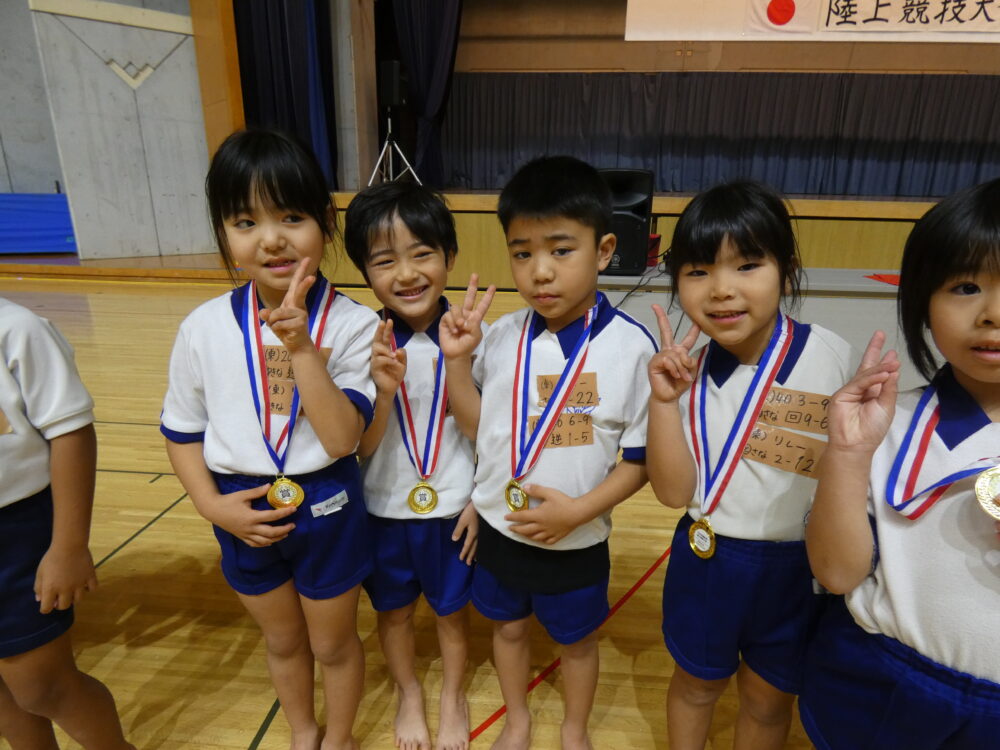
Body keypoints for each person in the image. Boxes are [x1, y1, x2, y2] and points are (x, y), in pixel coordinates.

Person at [161, 129, 378, 750]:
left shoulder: (355, 324)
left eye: (290, 216)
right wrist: (211, 504)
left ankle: (338, 738)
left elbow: (340, 439)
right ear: (223, 235)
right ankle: (303, 732)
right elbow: (182, 431)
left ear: (325, 223)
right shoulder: (202, 327)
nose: (271, 238)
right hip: (240, 506)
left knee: (332, 643)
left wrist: (302, 348)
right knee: (282, 640)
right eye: (245, 221)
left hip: (327, 502)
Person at [440, 155, 656, 750]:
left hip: (576, 538)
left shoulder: (632, 349)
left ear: (604, 250)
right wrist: (457, 362)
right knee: (508, 631)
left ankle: (575, 728)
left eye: (561, 250)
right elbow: (476, 427)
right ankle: (517, 719)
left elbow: (638, 462)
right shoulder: (502, 336)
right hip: (501, 527)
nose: (540, 272)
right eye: (522, 253)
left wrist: (579, 511)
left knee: (577, 642)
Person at [646, 180, 854, 750]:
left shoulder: (831, 355)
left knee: (768, 700)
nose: (721, 289)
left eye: (747, 265)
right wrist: (661, 404)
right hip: (706, 557)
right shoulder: (680, 373)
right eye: (698, 271)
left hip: (794, 566)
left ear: (786, 271)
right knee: (696, 686)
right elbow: (672, 493)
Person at [801, 178, 1000, 749]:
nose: (992, 313)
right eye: (965, 286)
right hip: (887, 683)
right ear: (922, 303)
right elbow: (836, 574)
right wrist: (847, 454)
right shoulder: (885, 424)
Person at [343, 181, 483, 750]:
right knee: (394, 614)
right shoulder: (359, 342)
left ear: (449, 255)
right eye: (384, 261)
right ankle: (407, 693)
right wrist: (381, 394)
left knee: (451, 615)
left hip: (454, 510)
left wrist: (480, 501)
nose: (406, 273)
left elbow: (487, 436)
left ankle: (452, 696)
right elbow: (359, 448)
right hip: (382, 510)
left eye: (421, 253)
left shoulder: (480, 338)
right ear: (364, 271)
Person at [0, 298, 135, 750]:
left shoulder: (17, 329)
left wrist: (68, 546)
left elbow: (71, 431)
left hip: (15, 534)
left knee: (42, 685)